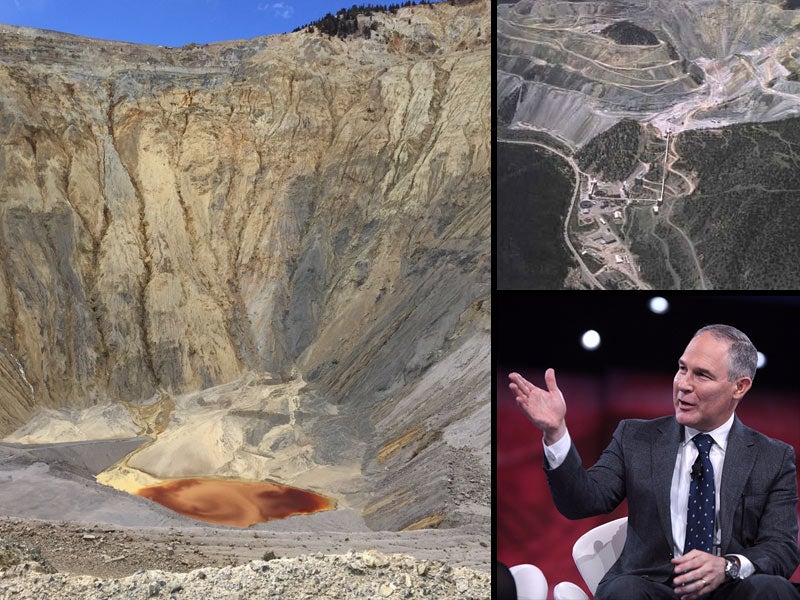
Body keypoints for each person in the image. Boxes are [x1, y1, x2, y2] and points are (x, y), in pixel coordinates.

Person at [508, 324, 800, 600]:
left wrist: (726, 567)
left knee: (772, 589)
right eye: (682, 368)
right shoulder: (636, 437)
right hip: (652, 587)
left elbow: (781, 548)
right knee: (625, 592)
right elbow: (582, 501)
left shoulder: (773, 457)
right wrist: (556, 432)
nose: (683, 385)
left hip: (731, 588)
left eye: (702, 375)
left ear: (739, 387)